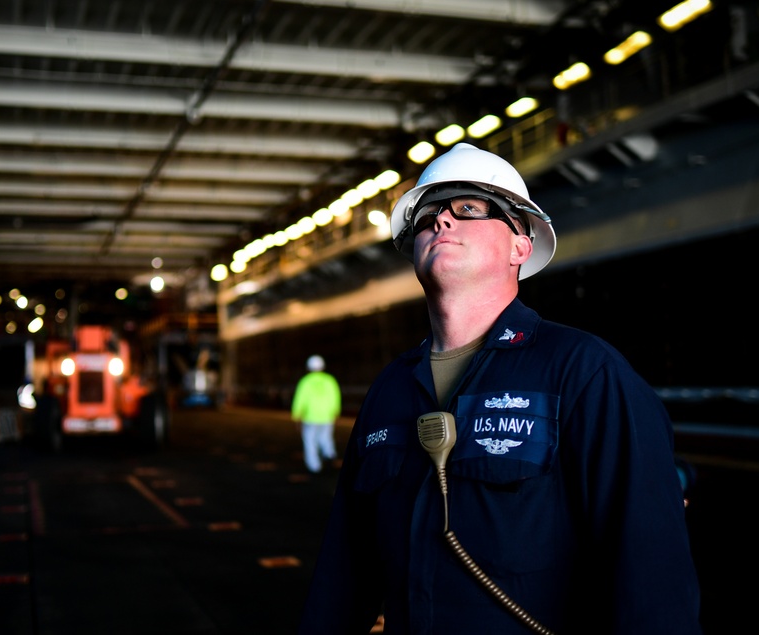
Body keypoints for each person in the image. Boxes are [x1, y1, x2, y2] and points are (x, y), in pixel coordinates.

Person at [297, 143, 702, 634]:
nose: (440, 221)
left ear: (521, 245)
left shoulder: (583, 373)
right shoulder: (391, 390)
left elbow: (652, 583)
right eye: (426, 215)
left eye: (467, 207)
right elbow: (344, 573)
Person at [291, 354, 342, 473]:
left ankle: (314, 466)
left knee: (310, 440)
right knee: (326, 436)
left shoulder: (305, 382)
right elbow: (335, 397)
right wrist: (336, 411)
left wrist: (296, 415)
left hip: (310, 417)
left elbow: (300, 399)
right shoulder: (330, 380)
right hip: (327, 415)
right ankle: (329, 454)